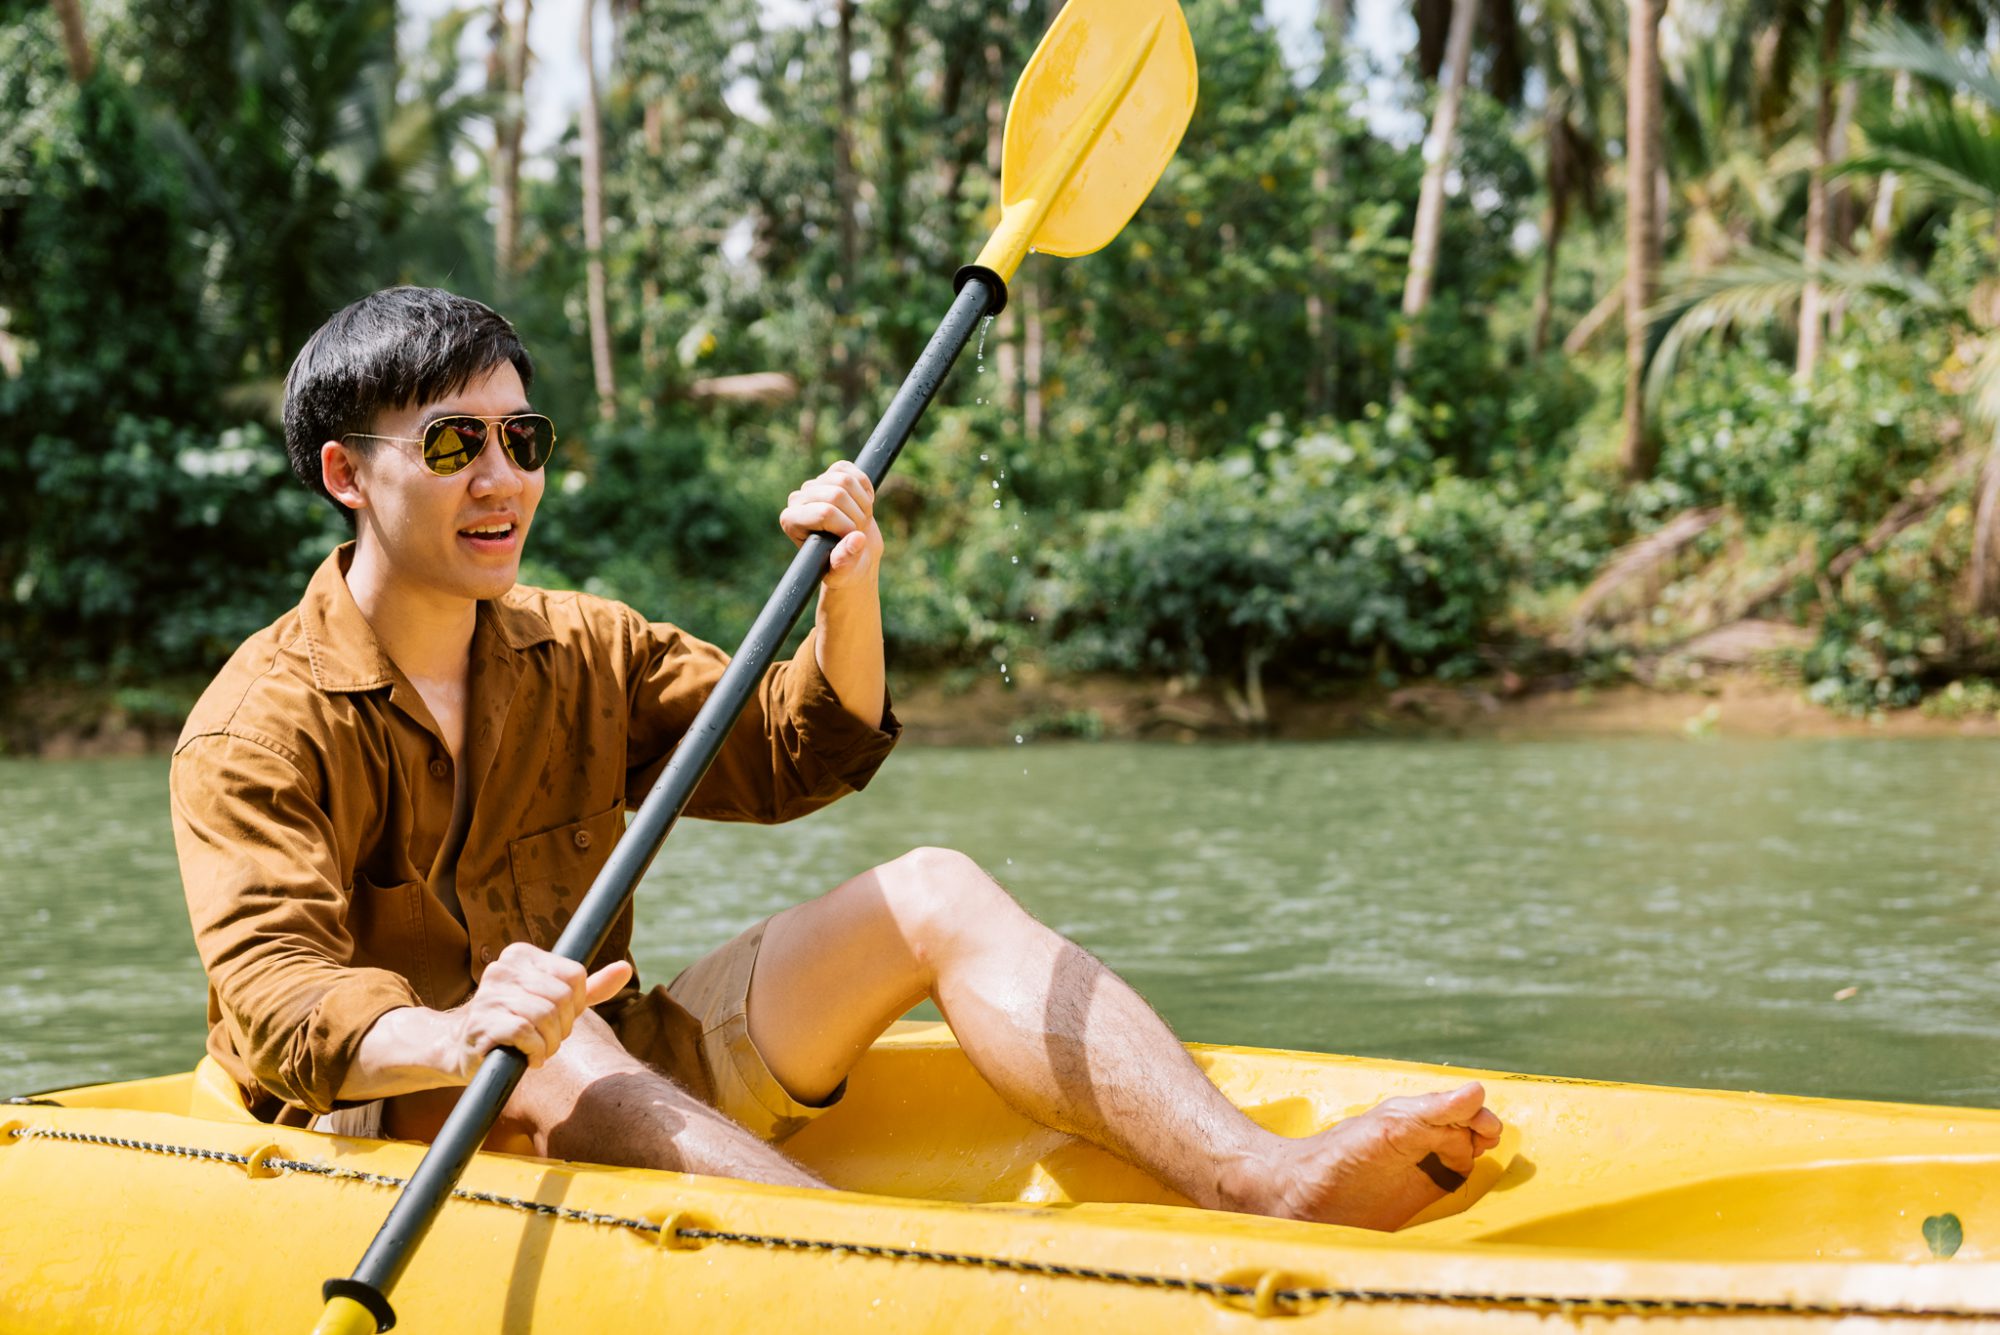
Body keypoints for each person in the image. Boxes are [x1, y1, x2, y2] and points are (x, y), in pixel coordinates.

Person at [171, 287, 1501, 1232]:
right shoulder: (256, 723)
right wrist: (464, 1033)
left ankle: (1252, 1176)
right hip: (377, 1119)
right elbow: (281, 1007)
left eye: (525, 441)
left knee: (933, 885)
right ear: (348, 474)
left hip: (603, 1060)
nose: (504, 479)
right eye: (453, 445)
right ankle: (877, 1272)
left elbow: (795, 756)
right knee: (568, 1053)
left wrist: (846, 595)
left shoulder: (583, 647)